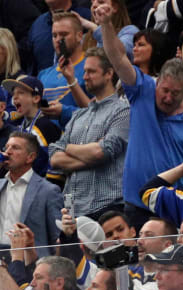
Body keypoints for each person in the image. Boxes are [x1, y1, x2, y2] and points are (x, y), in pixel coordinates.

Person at [100, 13, 183, 213]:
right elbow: (117, 59)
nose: (168, 98)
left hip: (177, 207)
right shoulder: (143, 89)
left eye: (175, 93)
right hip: (137, 204)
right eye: (164, 91)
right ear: (157, 82)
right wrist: (107, 23)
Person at [47, 47, 130, 218]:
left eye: (91, 72)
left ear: (109, 74)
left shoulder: (123, 111)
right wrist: (90, 154)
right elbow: (54, 157)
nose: (84, 77)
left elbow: (103, 151)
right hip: (72, 211)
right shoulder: (78, 115)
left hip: (107, 207)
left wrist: (68, 148)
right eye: (84, 72)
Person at [0, 132, 63, 256]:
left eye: (15, 148)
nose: (8, 152)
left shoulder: (48, 190)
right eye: (6, 147)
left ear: (30, 157)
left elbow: (57, 237)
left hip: (31, 265)